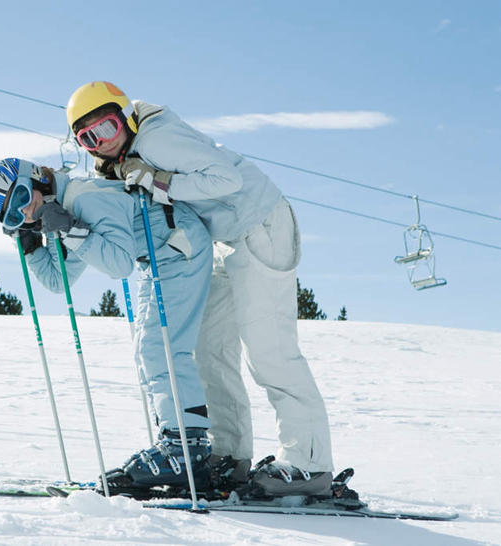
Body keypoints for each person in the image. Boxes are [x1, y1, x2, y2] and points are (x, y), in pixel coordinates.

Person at [65, 81, 334, 496]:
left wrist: (159, 180)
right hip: (222, 239)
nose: (100, 143)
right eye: (87, 138)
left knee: (269, 350)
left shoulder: (155, 137)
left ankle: (309, 464)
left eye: (106, 126)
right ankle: (229, 456)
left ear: (126, 116)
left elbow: (223, 179)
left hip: (259, 224)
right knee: (210, 350)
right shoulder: (127, 156)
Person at [0, 157, 214, 492]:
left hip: (180, 249)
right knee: (147, 354)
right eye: (14, 215)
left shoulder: (85, 198)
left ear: (35, 178)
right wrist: (32, 247)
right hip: (160, 258)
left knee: (162, 349)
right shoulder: (60, 212)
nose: (26, 212)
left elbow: (118, 265)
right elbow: (59, 281)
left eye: (21, 197)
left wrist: (70, 229)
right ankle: (175, 442)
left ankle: (187, 448)